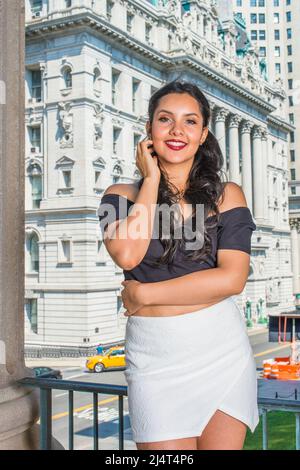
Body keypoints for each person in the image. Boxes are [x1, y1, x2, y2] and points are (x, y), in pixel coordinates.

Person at [97, 79, 259, 450]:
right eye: (165, 119)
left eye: (190, 122)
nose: (176, 130)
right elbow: (127, 254)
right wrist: (152, 179)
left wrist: (145, 294)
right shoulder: (119, 195)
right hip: (155, 362)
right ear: (149, 129)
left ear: (203, 134)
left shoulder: (226, 195)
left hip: (222, 353)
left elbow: (232, 279)